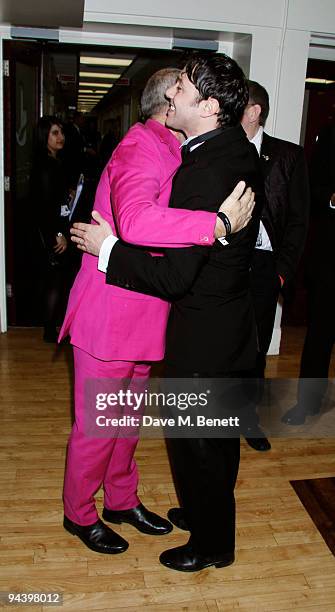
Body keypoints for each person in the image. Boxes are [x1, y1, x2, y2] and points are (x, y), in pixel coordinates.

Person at [71, 54, 263, 572]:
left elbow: (174, 266)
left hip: (175, 316)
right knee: (102, 422)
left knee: (153, 427)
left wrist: (214, 225)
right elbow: (135, 219)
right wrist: (215, 224)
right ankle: (80, 511)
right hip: (118, 308)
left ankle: (138, 504)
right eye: (174, 84)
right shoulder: (149, 145)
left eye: (183, 84)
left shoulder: (194, 155)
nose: (174, 92)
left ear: (203, 105)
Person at [240, 80, 310, 448]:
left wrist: (282, 271)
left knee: (256, 346)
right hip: (225, 261)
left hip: (266, 265)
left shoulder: (288, 157)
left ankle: (250, 418)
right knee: (223, 343)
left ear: (254, 112)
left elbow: (299, 221)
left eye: (239, 106)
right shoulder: (223, 151)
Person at [282, 123, 335, 425]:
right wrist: (332, 197)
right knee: (319, 335)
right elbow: (312, 188)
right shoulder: (330, 131)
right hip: (331, 258)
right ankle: (307, 403)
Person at [31, 116, 69, 342]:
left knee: (56, 280)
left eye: (61, 132)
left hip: (55, 227)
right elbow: (45, 206)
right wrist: (57, 234)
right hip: (51, 231)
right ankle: (49, 330)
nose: (60, 137)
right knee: (54, 281)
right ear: (44, 137)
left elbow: (54, 197)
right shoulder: (45, 165)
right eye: (55, 133)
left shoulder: (54, 161)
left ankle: (52, 327)